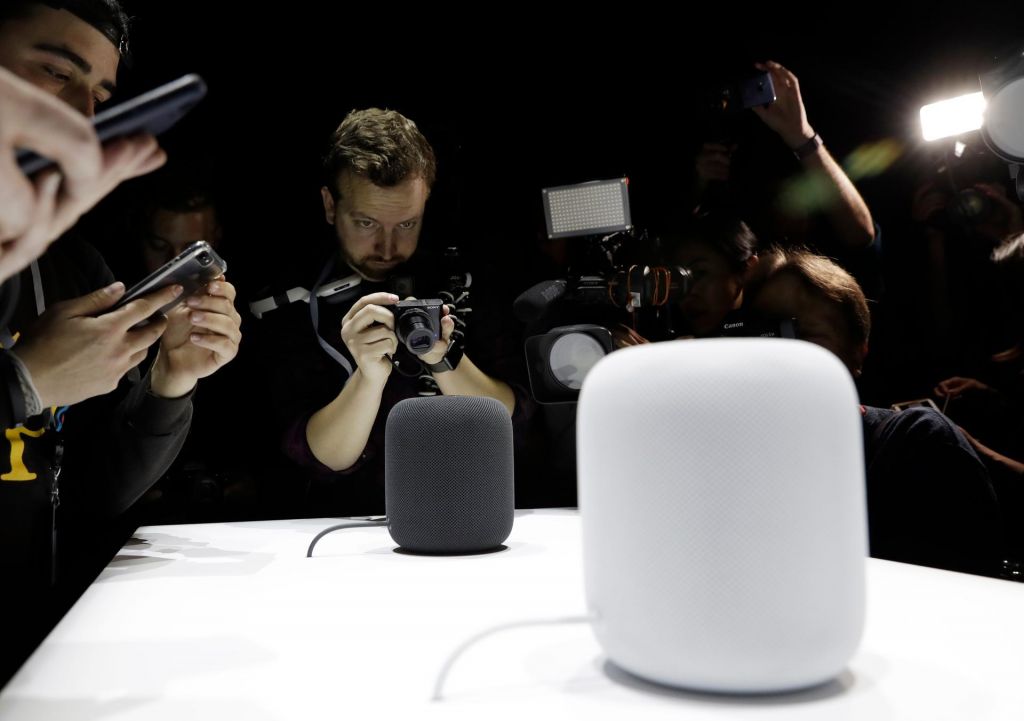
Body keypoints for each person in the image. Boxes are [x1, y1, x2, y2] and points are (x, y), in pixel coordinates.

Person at [0, 0, 242, 684]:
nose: (82, 116)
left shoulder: (73, 270)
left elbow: (95, 493)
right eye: (54, 70)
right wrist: (22, 381)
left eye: (101, 94)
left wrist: (171, 381)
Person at [260, 108, 528, 515]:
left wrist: (443, 360)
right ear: (330, 205)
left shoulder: (465, 280)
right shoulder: (290, 301)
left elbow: (511, 420)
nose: (387, 247)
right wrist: (368, 378)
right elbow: (319, 456)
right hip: (340, 521)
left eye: (406, 224)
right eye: (366, 223)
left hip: (471, 506)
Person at [744, 247, 1006, 576]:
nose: (784, 352)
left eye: (806, 335)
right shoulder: (737, 464)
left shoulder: (917, 444)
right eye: (768, 334)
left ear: (858, 351)